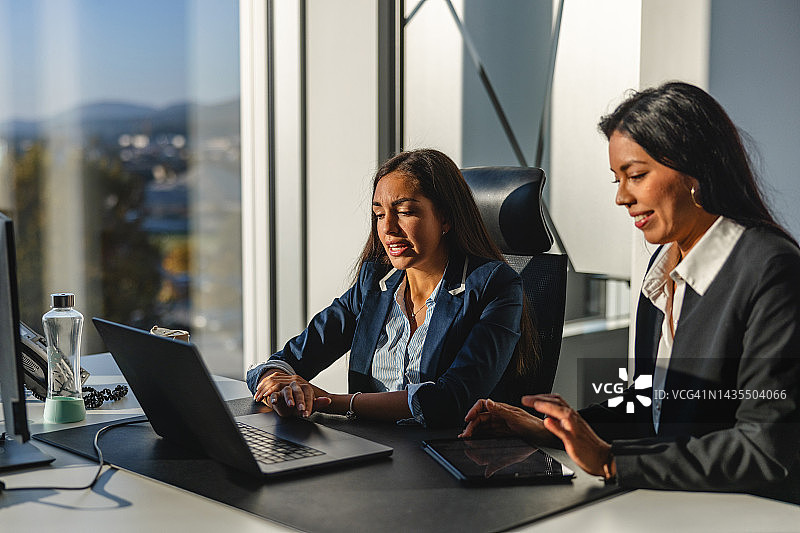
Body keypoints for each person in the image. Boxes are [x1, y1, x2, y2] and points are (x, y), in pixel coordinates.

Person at [461, 82, 800, 501]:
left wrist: (612, 461)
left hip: (746, 513)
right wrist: (553, 429)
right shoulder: (663, 268)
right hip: (672, 501)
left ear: (695, 170)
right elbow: (647, 406)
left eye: (636, 175)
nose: (622, 197)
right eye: (617, 179)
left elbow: (764, 447)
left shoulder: (770, 270)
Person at [246, 148, 537, 428]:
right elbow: (290, 359)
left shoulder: (494, 286)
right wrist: (277, 380)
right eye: (379, 214)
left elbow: (451, 401)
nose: (388, 228)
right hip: (373, 450)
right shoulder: (375, 283)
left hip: (451, 457)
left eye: (405, 212)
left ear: (446, 218)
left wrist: (329, 401)